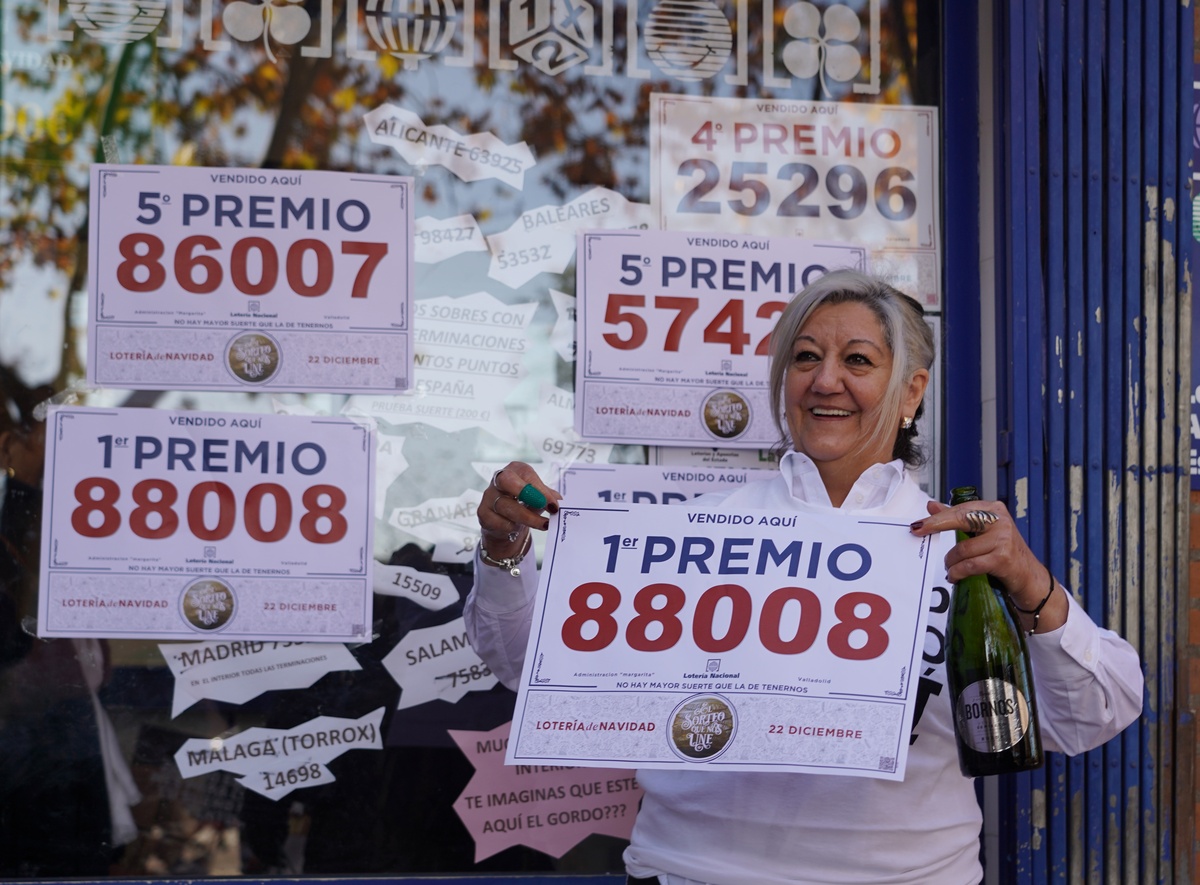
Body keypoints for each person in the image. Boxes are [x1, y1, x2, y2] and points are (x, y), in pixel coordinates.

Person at [463, 269, 1143, 885]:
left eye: (858, 360)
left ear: (912, 389)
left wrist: (1030, 583)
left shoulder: (965, 555)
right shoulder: (697, 532)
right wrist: (504, 545)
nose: (825, 380)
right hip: (693, 873)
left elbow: (1093, 715)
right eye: (806, 356)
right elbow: (528, 666)